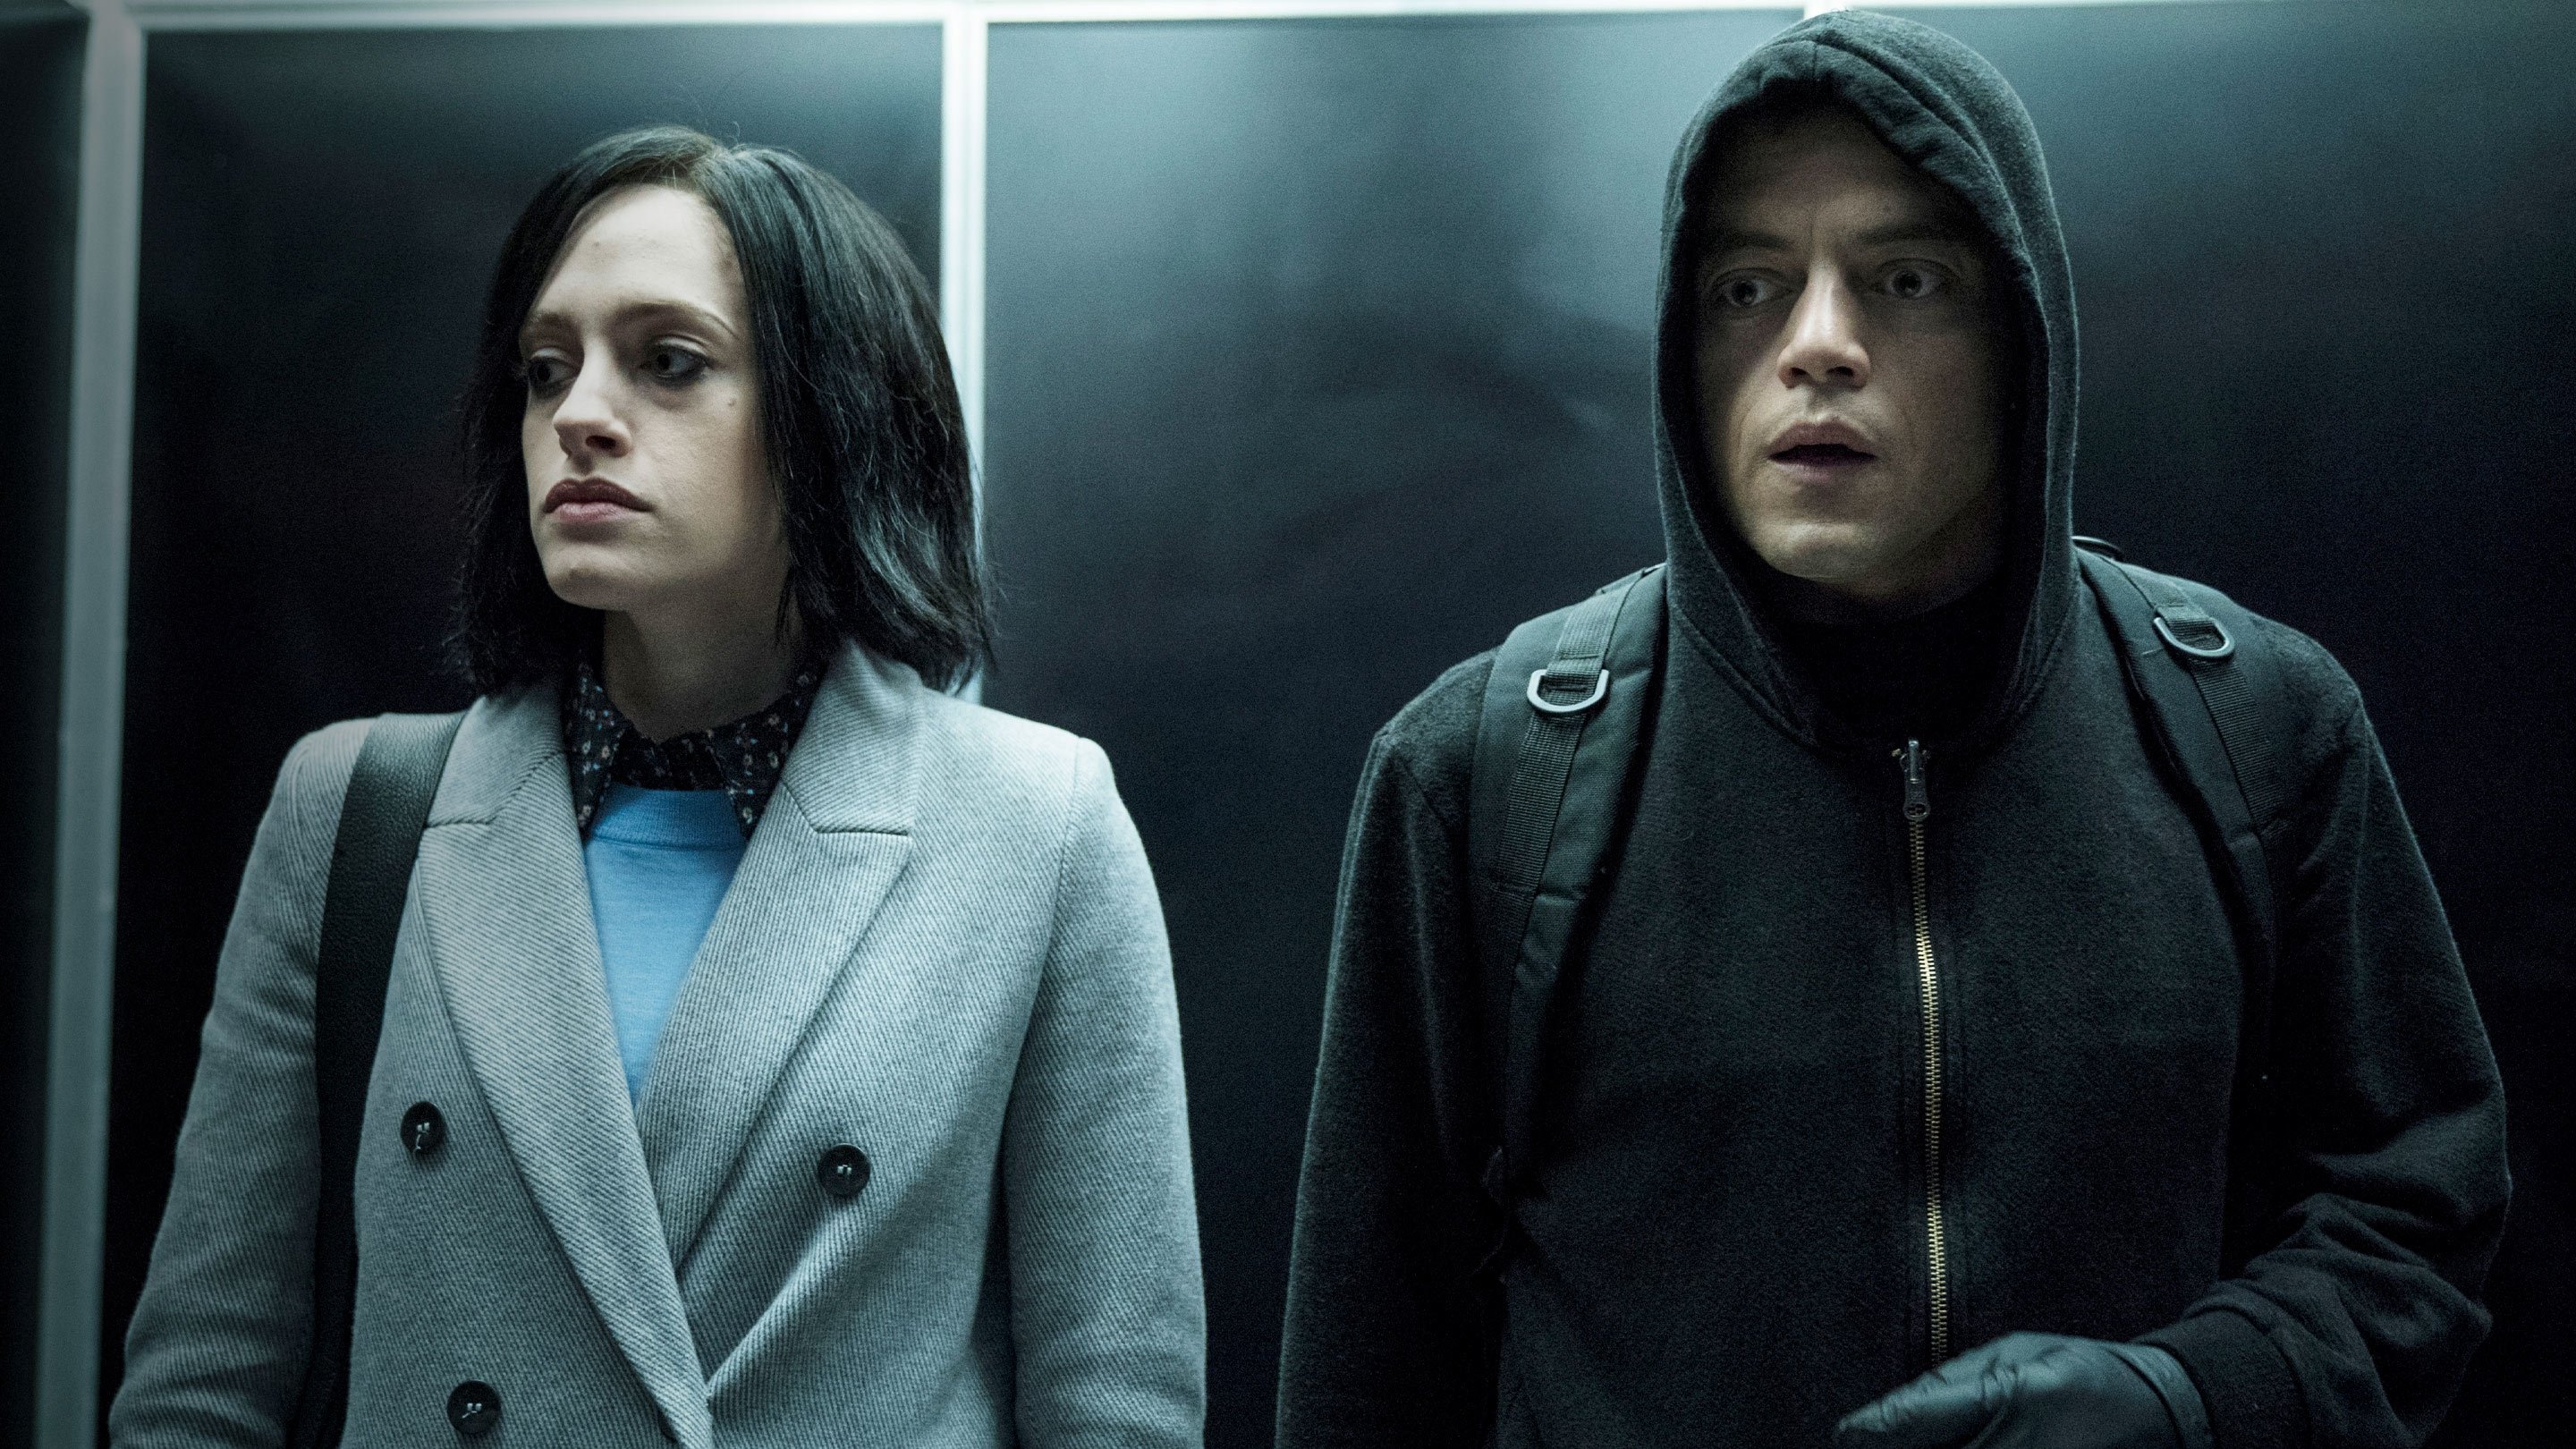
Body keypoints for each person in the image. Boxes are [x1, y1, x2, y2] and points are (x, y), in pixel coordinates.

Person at [1276, 13, 2506, 1449]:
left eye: (1906, 279)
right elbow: (1369, 1364)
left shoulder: (2254, 725)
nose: (1816, 346)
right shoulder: (1487, 775)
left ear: (2021, 338)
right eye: (1746, 287)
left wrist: (2188, 1400)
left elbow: (2414, 1204)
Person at [111, 126, 1203, 1448]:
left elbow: (1116, 1400)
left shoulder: (1037, 826)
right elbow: (203, 1381)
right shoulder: (356, 811)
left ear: (829, 417)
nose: (578, 414)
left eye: (669, 361)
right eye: (546, 369)